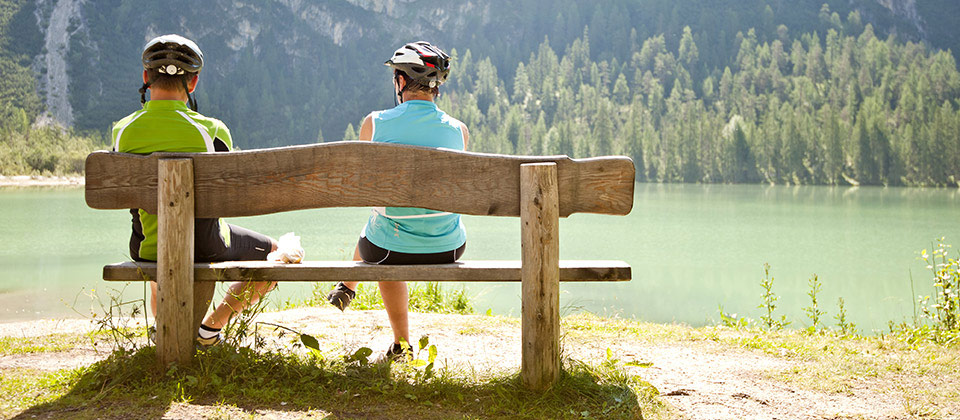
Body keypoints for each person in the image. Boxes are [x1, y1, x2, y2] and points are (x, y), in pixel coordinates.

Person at [112, 34, 280, 345]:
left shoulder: (122, 131)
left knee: (156, 228)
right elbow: (229, 196)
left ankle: (161, 328)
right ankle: (211, 327)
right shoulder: (212, 131)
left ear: (146, 78)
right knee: (276, 253)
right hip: (205, 246)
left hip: (146, 247)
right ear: (193, 83)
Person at [326, 41, 468, 360]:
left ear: (400, 81)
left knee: (380, 233)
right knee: (385, 225)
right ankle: (346, 288)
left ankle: (401, 343)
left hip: (390, 249)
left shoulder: (375, 124)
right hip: (449, 247)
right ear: (436, 88)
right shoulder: (459, 131)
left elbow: (365, 187)